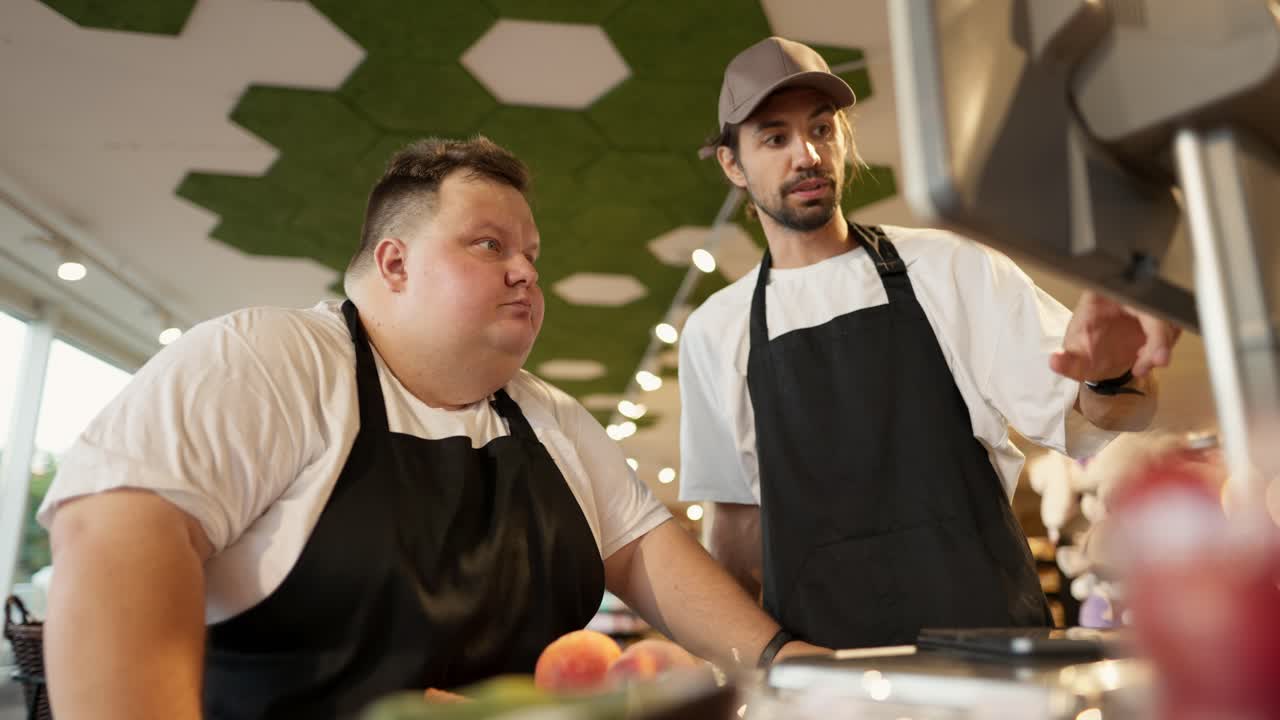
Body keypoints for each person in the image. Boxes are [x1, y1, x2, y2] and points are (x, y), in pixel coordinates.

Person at [39, 137, 820, 720]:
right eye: (489, 244)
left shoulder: (548, 416)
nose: (525, 271)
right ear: (394, 263)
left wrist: (790, 664)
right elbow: (118, 538)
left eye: (532, 256)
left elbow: (650, 556)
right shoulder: (271, 358)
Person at [678, 37, 1182, 650]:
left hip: (988, 655)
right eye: (774, 138)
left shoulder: (949, 267)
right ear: (733, 163)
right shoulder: (714, 330)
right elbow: (735, 532)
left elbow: (1114, 415)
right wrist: (741, 671)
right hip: (825, 678)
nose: (807, 155)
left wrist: (1109, 372)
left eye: (822, 128)